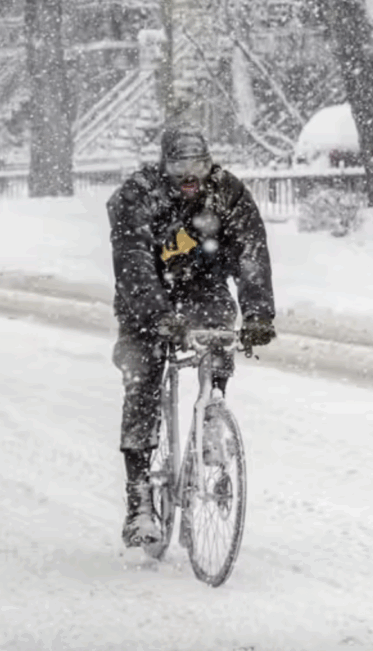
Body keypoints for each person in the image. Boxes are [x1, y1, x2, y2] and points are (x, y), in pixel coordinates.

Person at [106, 129, 276, 548]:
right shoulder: (138, 196)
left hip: (203, 287)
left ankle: (212, 416)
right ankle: (140, 500)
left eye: (197, 166)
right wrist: (158, 314)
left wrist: (258, 314)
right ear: (164, 166)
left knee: (219, 332)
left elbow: (252, 253)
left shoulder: (227, 194)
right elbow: (133, 263)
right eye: (180, 167)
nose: (189, 176)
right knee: (143, 375)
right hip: (147, 298)